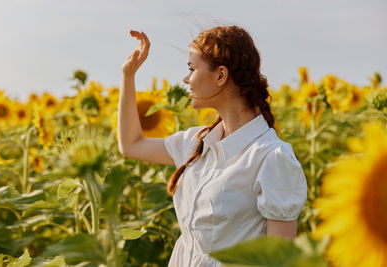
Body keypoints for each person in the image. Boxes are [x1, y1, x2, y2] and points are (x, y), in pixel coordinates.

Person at [118, 25, 307, 267]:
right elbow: (131, 145)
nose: (186, 79)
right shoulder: (195, 143)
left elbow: (281, 261)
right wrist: (128, 75)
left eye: (191, 68)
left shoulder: (271, 157)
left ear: (220, 75)